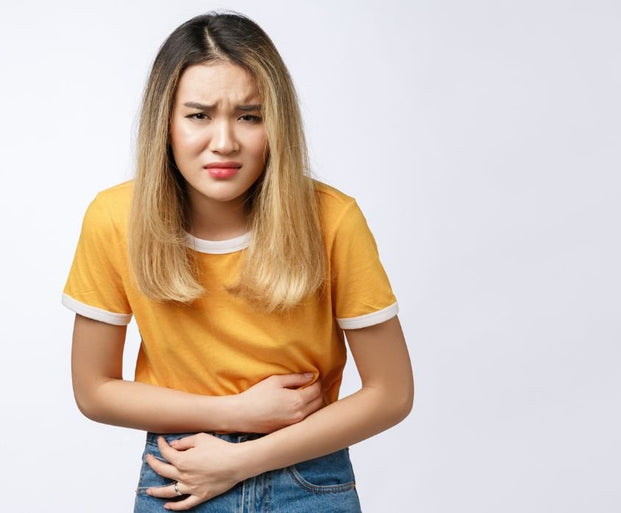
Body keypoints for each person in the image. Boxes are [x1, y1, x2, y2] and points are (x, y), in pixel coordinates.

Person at [62, 11, 413, 512]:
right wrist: (239, 412)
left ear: (276, 122)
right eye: (199, 115)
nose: (224, 142)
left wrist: (244, 460)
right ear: (165, 120)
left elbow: (392, 393)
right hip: (182, 472)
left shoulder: (332, 220)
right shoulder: (115, 218)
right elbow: (93, 390)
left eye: (249, 116)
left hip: (308, 476)